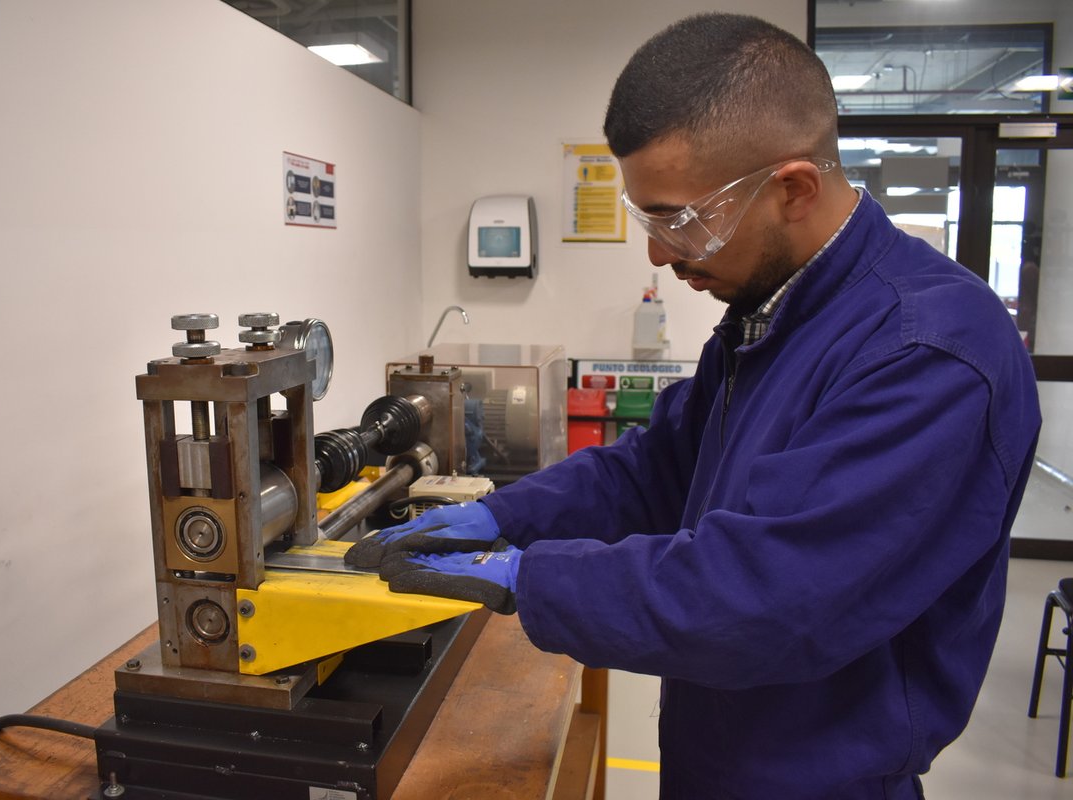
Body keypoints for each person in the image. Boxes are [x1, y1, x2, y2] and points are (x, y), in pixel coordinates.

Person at [347, 13, 1041, 799]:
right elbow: (655, 468)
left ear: (794, 189)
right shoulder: (774, 313)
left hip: (819, 778)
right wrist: (502, 516)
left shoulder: (928, 353)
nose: (656, 252)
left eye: (680, 219)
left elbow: (769, 598)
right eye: (648, 218)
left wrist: (527, 577)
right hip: (718, 749)